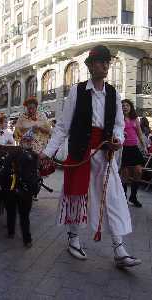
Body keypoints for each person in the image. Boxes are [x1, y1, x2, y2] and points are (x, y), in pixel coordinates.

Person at [40, 45, 141, 268]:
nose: (105, 65)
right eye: (100, 61)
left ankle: (119, 248)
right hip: (80, 152)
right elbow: (63, 126)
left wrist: (117, 139)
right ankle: (73, 238)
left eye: (107, 62)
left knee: (113, 197)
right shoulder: (77, 91)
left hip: (105, 154)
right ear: (90, 65)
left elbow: (118, 125)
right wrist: (48, 152)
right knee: (77, 195)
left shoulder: (113, 93)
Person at [121, 100, 148, 208]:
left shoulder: (135, 119)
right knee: (125, 175)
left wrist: (144, 147)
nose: (125, 107)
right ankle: (123, 198)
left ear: (131, 107)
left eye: (127, 105)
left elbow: (140, 134)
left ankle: (133, 197)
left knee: (138, 171)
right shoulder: (118, 119)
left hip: (134, 148)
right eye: (123, 106)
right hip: (123, 149)